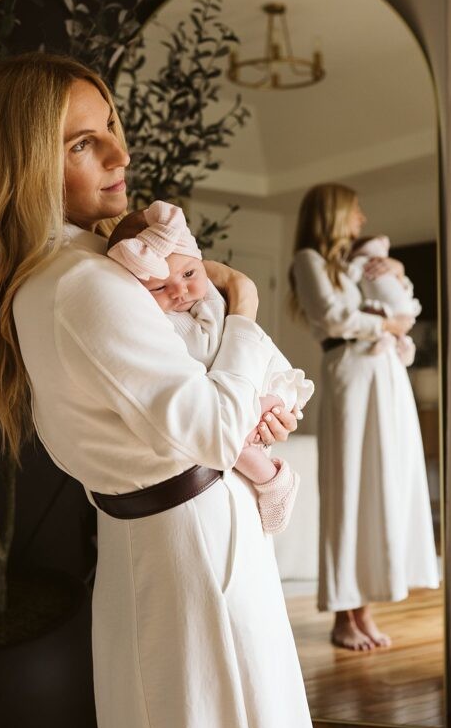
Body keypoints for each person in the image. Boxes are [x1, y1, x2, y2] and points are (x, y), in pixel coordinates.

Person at [0, 53, 325, 728]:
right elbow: (213, 428)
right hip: (193, 545)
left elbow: (192, 409)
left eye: (111, 127)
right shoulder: (84, 285)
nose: (120, 154)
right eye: (81, 143)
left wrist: (246, 404)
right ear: (23, 166)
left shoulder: (68, 274)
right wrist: (243, 303)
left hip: (151, 543)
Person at [289, 183, 439, 652]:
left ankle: (365, 610)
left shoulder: (359, 262)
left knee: (381, 484)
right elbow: (335, 318)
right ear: (334, 214)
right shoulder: (308, 261)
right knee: (350, 486)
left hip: (387, 375)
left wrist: (396, 274)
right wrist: (384, 325)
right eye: (355, 211)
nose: (362, 219)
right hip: (351, 374)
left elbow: (403, 311)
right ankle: (342, 614)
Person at [107, 200, 314, 534]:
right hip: (237, 396)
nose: (180, 291)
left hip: (261, 380)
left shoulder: (210, 297)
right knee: (233, 439)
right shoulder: (160, 319)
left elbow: (214, 348)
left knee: (242, 433)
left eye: (189, 274)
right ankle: (273, 478)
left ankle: (271, 474)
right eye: (159, 287)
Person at [348, 233, 421, 366]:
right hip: (387, 316)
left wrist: (399, 271)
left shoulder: (391, 267)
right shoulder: (362, 264)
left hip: (404, 312)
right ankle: (391, 339)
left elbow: (405, 287)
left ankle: (401, 342)